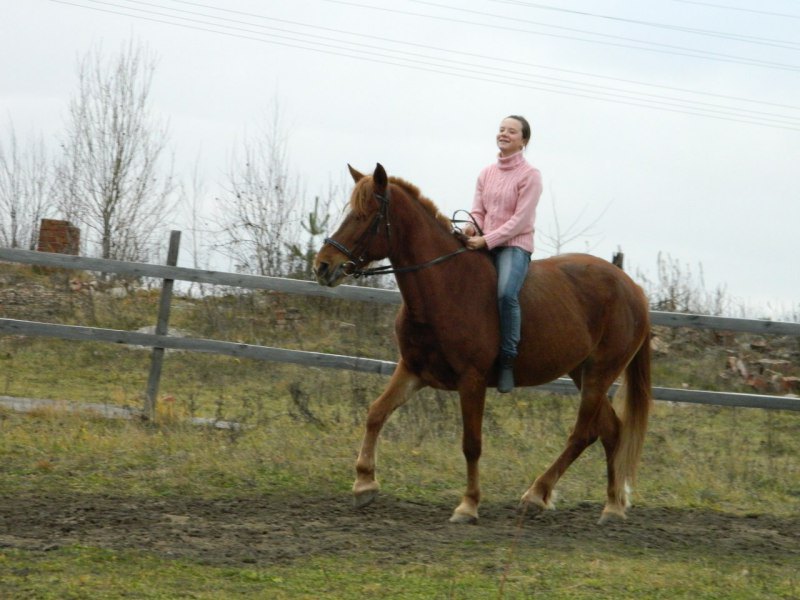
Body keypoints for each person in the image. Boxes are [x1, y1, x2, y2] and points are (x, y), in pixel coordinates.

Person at [463, 115, 543, 393]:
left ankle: (508, 359)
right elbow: (478, 212)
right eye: (501, 130)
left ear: (524, 140)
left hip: (514, 246)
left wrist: (487, 240)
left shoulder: (530, 175)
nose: (504, 134)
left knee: (506, 294)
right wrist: (471, 229)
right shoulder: (486, 173)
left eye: (511, 131)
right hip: (485, 241)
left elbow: (520, 220)